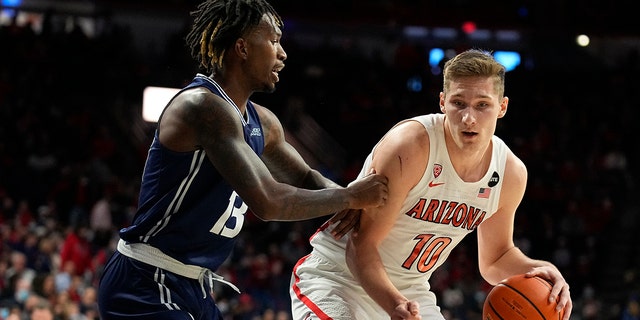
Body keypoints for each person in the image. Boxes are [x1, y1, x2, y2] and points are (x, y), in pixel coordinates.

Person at [96, 0, 389, 319]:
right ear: (242, 48)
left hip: (192, 285)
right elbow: (268, 201)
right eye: (274, 41)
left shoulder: (262, 121)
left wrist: (362, 212)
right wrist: (349, 196)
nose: (283, 53)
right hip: (146, 280)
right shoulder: (202, 107)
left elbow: (307, 179)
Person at [290, 49, 573, 320]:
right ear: (442, 102)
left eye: (482, 105)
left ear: (502, 107)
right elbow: (361, 246)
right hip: (339, 279)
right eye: (458, 103)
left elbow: (495, 259)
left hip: (410, 291)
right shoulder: (410, 147)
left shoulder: (510, 174)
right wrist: (395, 305)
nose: (469, 118)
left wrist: (540, 270)